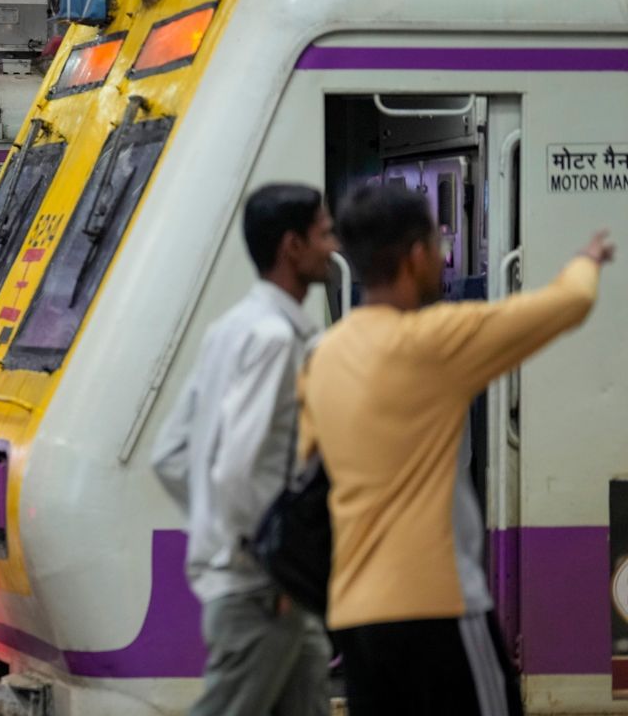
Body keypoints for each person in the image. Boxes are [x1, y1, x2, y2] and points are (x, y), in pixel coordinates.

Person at [300, 185, 613, 716]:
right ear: (417, 255)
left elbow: (301, 468)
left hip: (355, 613)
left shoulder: (323, 355)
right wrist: (586, 261)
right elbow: (569, 304)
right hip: (438, 604)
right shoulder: (434, 340)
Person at [152, 184, 336, 716]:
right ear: (291, 247)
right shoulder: (277, 339)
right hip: (261, 591)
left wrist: (216, 529)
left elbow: (171, 454)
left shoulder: (230, 329)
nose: (334, 245)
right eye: (324, 233)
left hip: (259, 585)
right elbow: (238, 469)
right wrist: (265, 562)